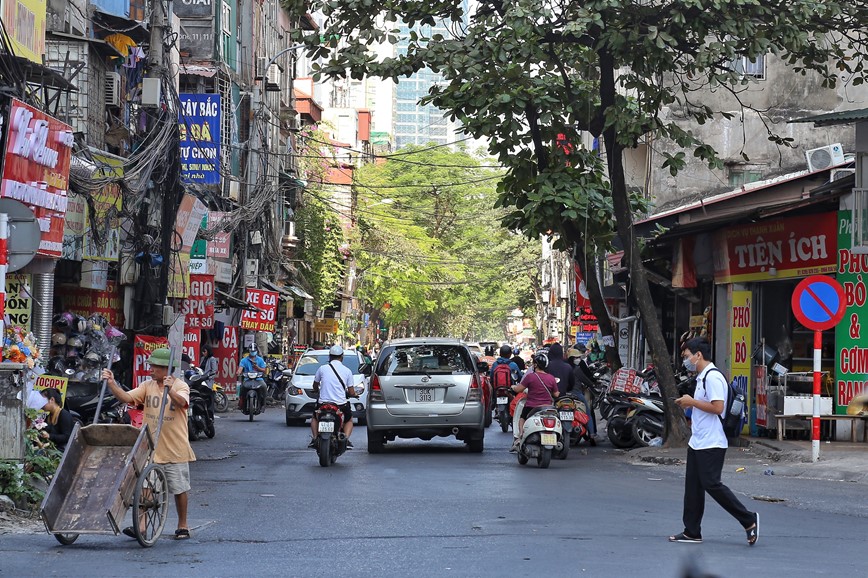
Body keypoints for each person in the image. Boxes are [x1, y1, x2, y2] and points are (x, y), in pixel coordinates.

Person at [670, 337, 759, 546]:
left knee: (712, 484)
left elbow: (718, 407)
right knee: (692, 487)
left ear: (698, 355)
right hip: (698, 441)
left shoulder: (713, 377)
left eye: (686, 356)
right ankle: (692, 531)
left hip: (712, 442)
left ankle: (748, 519)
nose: (685, 360)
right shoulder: (702, 377)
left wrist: (691, 402)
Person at [102, 348, 196, 540]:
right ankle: (142, 527)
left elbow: (183, 403)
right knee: (145, 488)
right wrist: (112, 383)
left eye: (155, 367)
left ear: (165, 368)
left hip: (175, 448)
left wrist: (170, 391)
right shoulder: (148, 385)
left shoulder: (180, 386)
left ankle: (183, 525)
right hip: (151, 447)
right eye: (151, 366)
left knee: (179, 488)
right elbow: (127, 398)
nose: (151, 369)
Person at [508, 352, 559, 452]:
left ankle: (520, 437)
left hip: (532, 406)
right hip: (548, 408)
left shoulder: (530, 377)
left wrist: (513, 387)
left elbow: (519, 389)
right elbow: (556, 394)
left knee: (522, 418)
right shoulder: (551, 378)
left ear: (535, 365)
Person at [308, 345, 356, 449]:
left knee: (314, 417)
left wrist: (316, 390)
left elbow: (315, 385)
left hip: (323, 403)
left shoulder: (322, 369)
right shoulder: (347, 371)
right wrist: (354, 394)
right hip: (340, 404)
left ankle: (315, 438)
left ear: (329, 356)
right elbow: (351, 392)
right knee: (349, 419)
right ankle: (345, 439)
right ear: (342, 357)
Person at [566, 345, 599, 441]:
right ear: (572, 358)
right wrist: (592, 385)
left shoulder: (566, 367)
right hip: (576, 394)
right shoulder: (576, 369)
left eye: (579, 357)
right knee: (588, 412)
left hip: (564, 395)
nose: (578, 359)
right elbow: (586, 380)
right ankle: (592, 434)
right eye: (576, 357)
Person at [236, 344, 267, 411]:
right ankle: (241, 402)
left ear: (256, 351)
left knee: (264, 386)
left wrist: (257, 368)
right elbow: (240, 368)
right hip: (247, 379)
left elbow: (264, 370)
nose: (253, 352)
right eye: (251, 350)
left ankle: (263, 404)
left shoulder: (260, 360)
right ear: (249, 351)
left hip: (258, 379)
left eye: (254, 350)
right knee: (242, 388)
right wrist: (238, 372)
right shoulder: (244, 360)